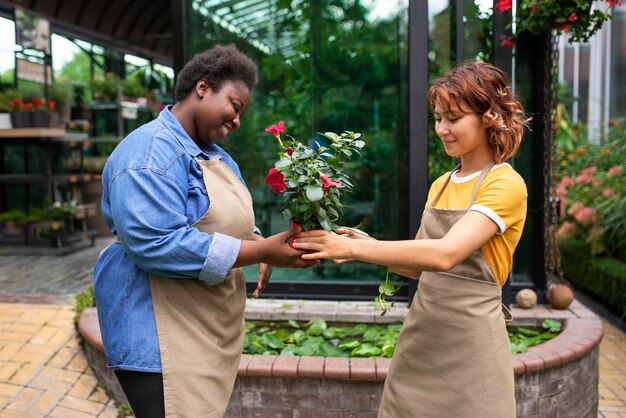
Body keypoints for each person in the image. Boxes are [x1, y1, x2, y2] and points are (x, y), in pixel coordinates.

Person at [294, 61, 530, 417]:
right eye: (438, 118)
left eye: (453, 118)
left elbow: (445, 254)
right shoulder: (442, 185)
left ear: (489, 116)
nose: (442, 129)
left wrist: (356, 248)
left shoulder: (504, 184)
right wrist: (363, 242)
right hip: (423, 341)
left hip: (472, 349)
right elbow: (417, 267)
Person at [93, 44, 316, 418]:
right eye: (235, 105)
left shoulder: (211, 152)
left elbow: (212, 214)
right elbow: (155, 243)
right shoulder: (148, 155)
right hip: (158, 332)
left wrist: (256, 238)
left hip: (200, 324)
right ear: (202, 87)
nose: (237, 120)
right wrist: (260, 252)